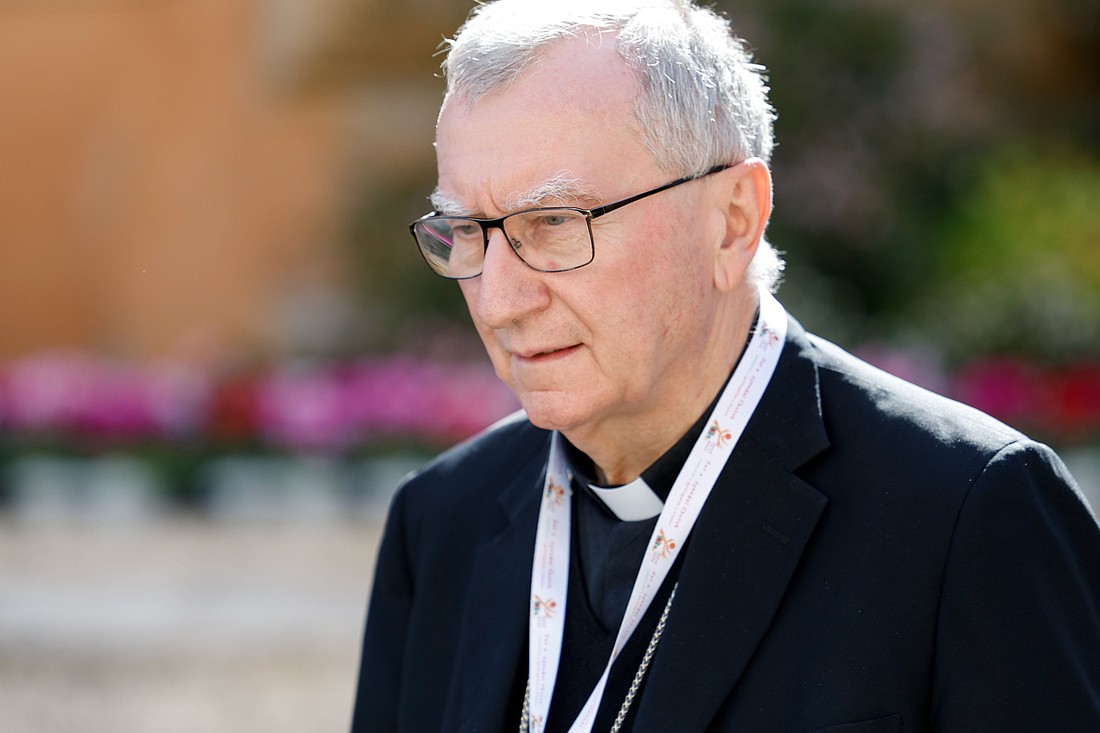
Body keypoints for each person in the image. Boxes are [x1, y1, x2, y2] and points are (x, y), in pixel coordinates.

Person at [350, 1, 1100, 731]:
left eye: (553, 222)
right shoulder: (441, 520)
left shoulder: (966, 512)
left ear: (733, 219)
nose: (500, 299)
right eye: (467, 231)